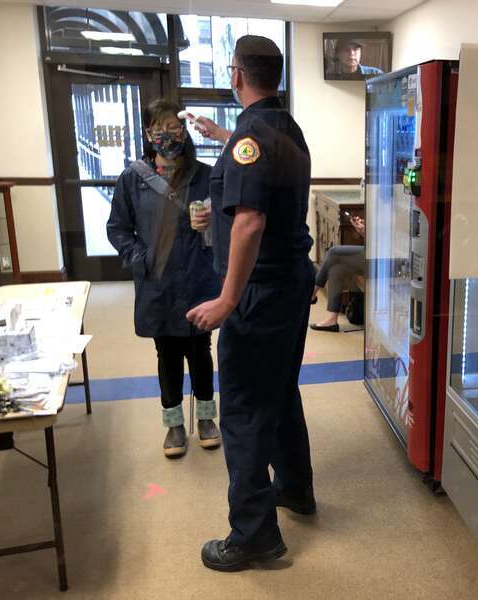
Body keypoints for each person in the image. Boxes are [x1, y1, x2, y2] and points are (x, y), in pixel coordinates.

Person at [186, 35, 316, 572]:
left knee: (241, 409)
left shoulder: (250, 140)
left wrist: (226, 299)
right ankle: (295, 490)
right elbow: (254, 164)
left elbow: (249, 220)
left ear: (236, 75)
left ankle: (255, 534)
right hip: (291, 286)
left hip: (257, 295)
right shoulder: (284, 129)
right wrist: (223, 134)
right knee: (280, 393)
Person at [107, 98, 222, 459]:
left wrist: (211, 228)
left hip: (198, 276)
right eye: (160, 128)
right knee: (167, 353)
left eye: (175, 127)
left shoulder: (204, 175)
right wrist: (139, 258)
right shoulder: (133, 179)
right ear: (147, 133)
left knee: (200, 350)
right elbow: (118, 228)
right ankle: (173, 423)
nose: (168, 135)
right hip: (157, 280)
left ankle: (205, 418)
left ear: (184, 131)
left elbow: (227, 225)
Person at [310, 215, 364, 332]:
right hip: (375, 252)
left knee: (334, 252)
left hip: (385, 259)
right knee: (337, 269)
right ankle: (331, 320)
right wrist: (362, 230)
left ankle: (312, 292)